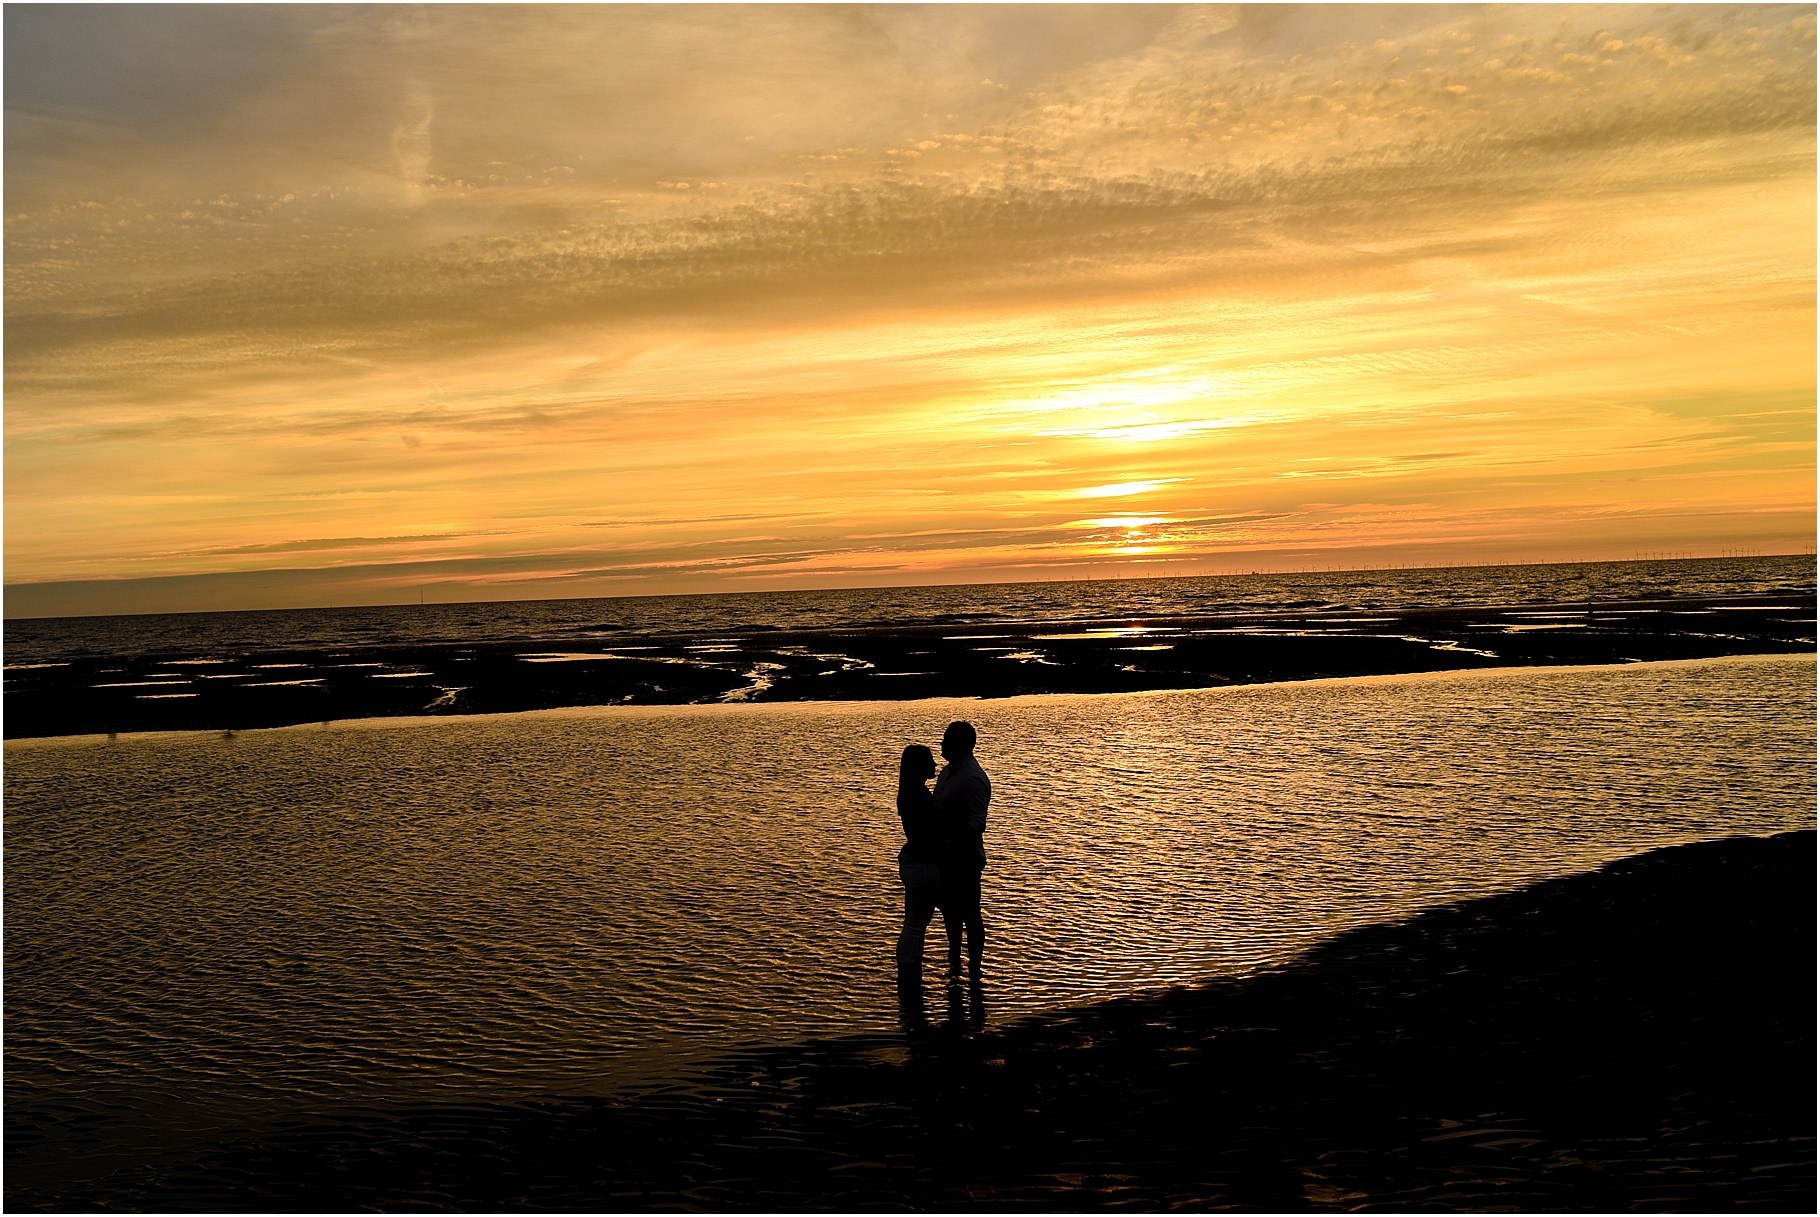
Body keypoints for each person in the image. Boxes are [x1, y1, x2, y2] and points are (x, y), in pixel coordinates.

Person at [934, 720, 990, 972]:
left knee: (970, 914)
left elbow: (977, 823)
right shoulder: (948, 772)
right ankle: (954, 962)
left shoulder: (972, 778)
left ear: (964, 744)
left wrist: (952, 842)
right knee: (950, 914)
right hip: (946, 859)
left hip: (965, 859)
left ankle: (975, 969)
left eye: (947, 740)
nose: (942, 744)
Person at [894, 744, 945, 979]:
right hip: (923, 865)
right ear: (919, 767)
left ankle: (912, 969)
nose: (935, 764)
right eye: (929, 760)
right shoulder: (920, 799)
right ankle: (907, 968)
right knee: (915, 924)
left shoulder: (911, 794)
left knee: (917, 923)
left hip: (915, 863)